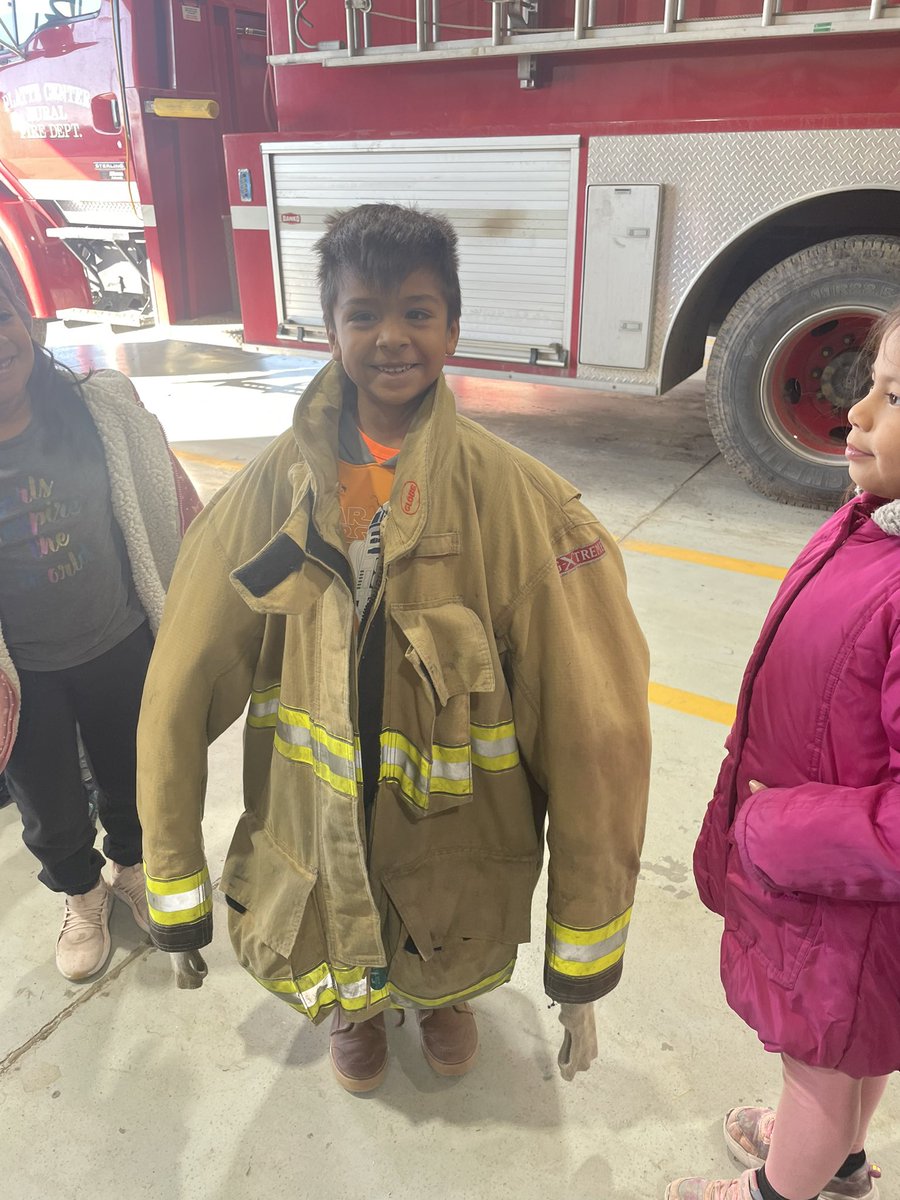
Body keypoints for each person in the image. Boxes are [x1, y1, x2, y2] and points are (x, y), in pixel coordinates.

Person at [136, 203, 651, 1092]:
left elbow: (597, 735)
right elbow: (178, 686)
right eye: (364, 313)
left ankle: (444, 995)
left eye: (417, 312)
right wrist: (173, 887)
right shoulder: (268, 493)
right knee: (343, 887)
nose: (392, 337)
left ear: (453, 326)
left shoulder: (526, 506)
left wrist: (583, 968)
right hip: (320, 794)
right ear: (328, 328)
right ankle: (356, 1006)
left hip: (454, 811)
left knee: (437, 908)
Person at [666, 309, 900, 1200]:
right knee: (854, 1045)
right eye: (872, 384)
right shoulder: (873, 523)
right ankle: (835, 1158)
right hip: (840, 892)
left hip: (841, 888)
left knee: (820, 1061)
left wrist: (777, 827)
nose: (857, 414)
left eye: (895, 396)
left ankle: (779, 1188)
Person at [0, 263, 201, 981]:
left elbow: (170, 505)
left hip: (121, 642)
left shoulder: (100, 408)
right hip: (24, 675)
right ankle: (82, 894)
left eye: (2, 318)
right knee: (50, 806)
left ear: (25, 319)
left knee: (133, 780)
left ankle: (130, 870)